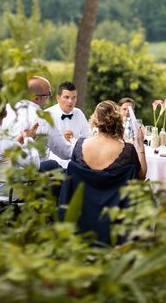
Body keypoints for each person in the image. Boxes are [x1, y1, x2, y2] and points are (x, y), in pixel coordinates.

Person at [58, 100, 146, 244]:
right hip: (115, 223)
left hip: (83, 220)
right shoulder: (128, 150)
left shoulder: (80, 145)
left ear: (95, 120)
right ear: (117, 120)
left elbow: (74, 183)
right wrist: (140, 144)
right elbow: (141, 176)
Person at [2, 75, 72, 171]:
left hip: (5, 172)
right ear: (36, 99)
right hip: (31, 176)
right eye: (48, 94)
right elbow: (65, 152)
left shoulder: (6, 109)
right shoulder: (42, 118)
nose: (49, 99)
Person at [47, 81, 91, 168]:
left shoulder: (79, 113)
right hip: (54, 163)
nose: (70, 101)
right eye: (66, 97)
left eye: (73, 98)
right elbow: (43, 145)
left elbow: (88, 138)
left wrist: (75, 139)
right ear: (58, 98)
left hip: (77, 162)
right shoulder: (47, 115)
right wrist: (60, 140)